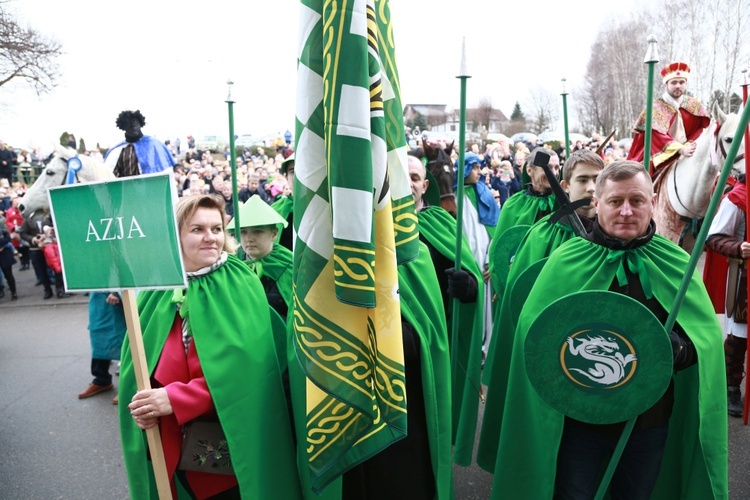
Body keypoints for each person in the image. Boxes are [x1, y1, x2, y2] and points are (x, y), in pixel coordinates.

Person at [490, 160, 727, 498]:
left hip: (648, 422)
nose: (627, 211)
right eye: (616, 202)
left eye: (637, 200)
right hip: (581, 425)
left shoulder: (674, 262)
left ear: (652, 201)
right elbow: (535, 332)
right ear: (598, 204)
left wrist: (681, 350)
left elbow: (704, 336)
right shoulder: (569, 259)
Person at [118, 194, 301, 499]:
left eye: (217, 229)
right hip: (171, 444)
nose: (210, 238)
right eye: (197, 229)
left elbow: (252, 371)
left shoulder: (240, 282)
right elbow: (138, 364)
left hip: (228, 447)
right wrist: (144, 406)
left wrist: (177, 399)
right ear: (175, 234)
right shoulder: (157, 289)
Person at [477, 149, 604, 472]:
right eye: (583, 180)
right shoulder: (542, 235)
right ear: (565, 184)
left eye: (597, 180)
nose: (591, 188)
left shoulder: (617, 235)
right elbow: (522, 300)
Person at [342, 240, 453, 499]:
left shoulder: (414, 253)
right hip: (350, 405)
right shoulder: (324, 255)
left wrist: (397, 337)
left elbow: (429, 331)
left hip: (405, 408)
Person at [407, 153, 484, 466]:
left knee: (432, 423)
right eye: (399, 176)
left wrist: (468, 287)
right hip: (393, 342)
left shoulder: (441, 223)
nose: (407, 183)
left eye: (414, 178)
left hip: (437, 339)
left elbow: (472, 276)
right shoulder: (372, 227)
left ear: (425, 186)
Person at [704, 177, 748, 417]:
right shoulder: (737, 198)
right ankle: (731, 387)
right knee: (739, 337)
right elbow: (714, 237)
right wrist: (739, 247)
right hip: (745, 280)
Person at [627, 62, 710, 178]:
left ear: (686, 84)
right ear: (666, 85)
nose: (678, 86)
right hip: (658, 155)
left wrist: (690, 144)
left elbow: (701, 128)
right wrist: (680, 149)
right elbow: (656, 136)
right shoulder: (655, 107)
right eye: (674, 82)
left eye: (681, 82)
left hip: (688, 152)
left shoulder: (693, 105)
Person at [78, 292, 126, 403]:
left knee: (123, 335)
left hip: (118, 292)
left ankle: (130, 386)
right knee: (98, 334)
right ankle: (102, 379)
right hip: (98, 291)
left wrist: (115, 290)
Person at [103, 110, 175, 177]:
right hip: (127, 189)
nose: (133, 125)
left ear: (140, 124)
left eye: (135, 122)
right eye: (128, 123)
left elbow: (165, 170)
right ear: (123, 127)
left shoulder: (154, 144)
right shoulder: (117, 151)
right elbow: (111, 176)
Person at [271, 154, 295, 251]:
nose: (298, 175)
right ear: (286, 176)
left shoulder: (325, 207)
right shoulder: (274, 210)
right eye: (292, 171)